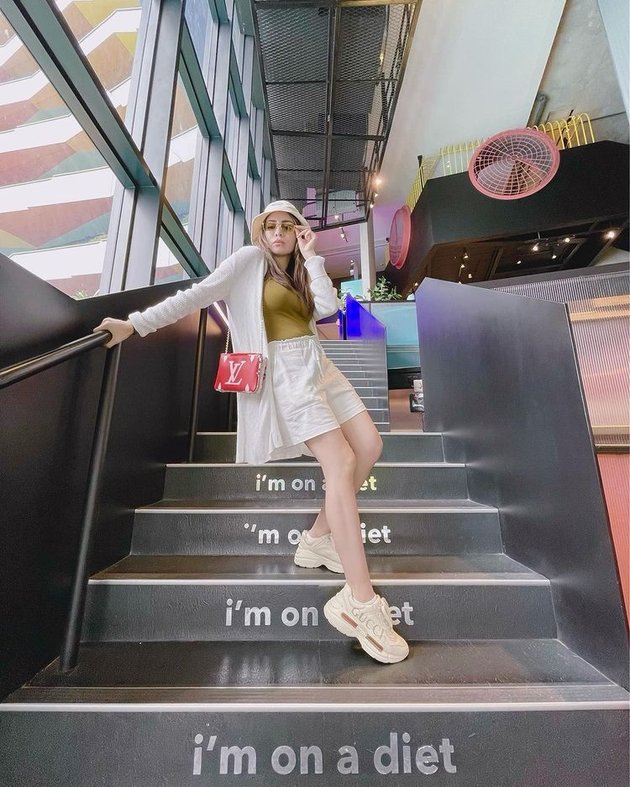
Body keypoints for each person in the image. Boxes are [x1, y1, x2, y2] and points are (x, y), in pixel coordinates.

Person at [94, 199, 409, 664]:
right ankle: (360, 602)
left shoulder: (301, 269)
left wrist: (313, 256)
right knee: (340, 463)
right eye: (271, 226)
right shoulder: (247, 261)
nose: (279, 233)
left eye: (288, 226)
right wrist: (134, 324)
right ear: (260, 231)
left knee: (370, 445)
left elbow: (325, 308)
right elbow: (195, 296)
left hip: (318, 365)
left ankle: (317, 539)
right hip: (284, 372)